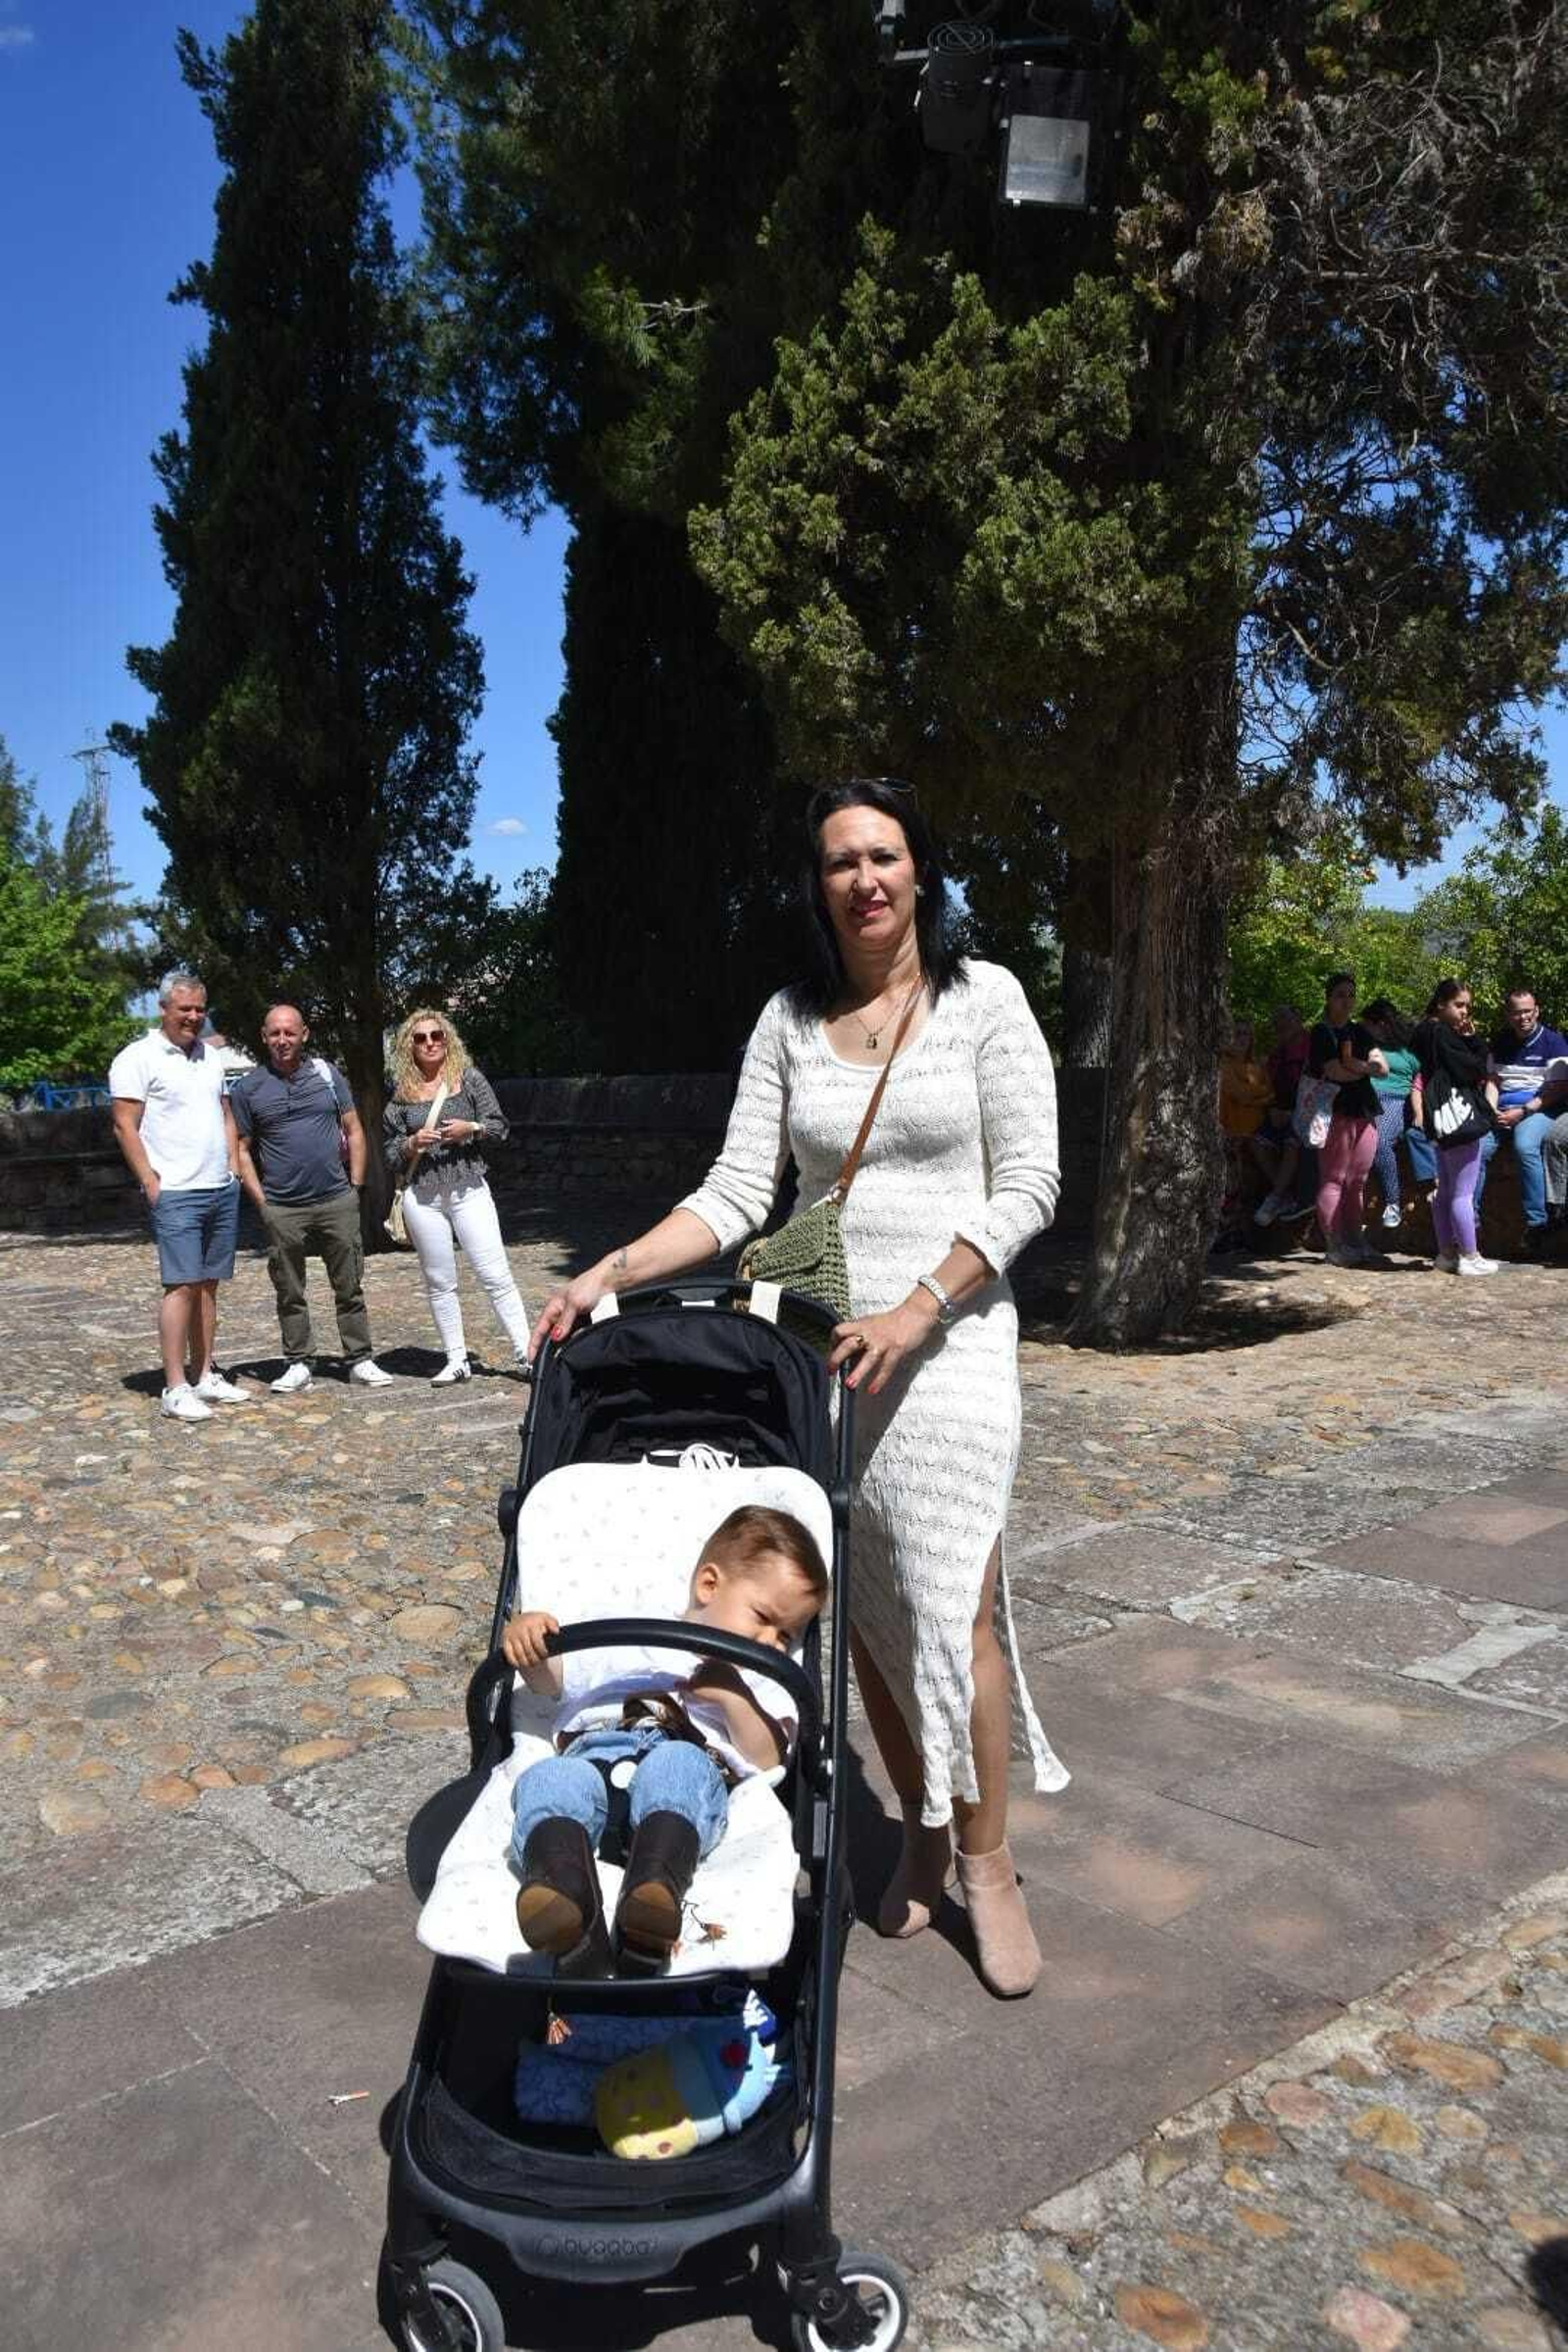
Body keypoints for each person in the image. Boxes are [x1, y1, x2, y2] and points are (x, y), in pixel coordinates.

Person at [529, 776, 1068, 1999]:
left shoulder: (986, 1003)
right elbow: (734, 1193)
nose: (865, 879)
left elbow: (1030, 1181)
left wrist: (922, 1304)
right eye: (840, 861)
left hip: (952, 1341)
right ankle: (921, 1824)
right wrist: (601, 1277)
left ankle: (986, 1865)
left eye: (884, 855)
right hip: (826, 1352)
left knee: (955, 1606)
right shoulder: (786, 1020)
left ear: (920, 872)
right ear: (816, 885)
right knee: (867, 1607)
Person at [504, 1506, 828, 1976]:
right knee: (549, 1779)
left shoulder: (761, 1678)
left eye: (788, 1634)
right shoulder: (629, 1630)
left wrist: (734, 1697)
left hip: (681, 1779)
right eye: (763, 1617)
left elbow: (768, 1758)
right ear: (709, 1586)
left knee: (678, 1764)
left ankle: (653, 1891)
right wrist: (528, 1642)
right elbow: (550, 1681)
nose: (773, 1642)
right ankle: (560, 1889)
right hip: (592, 1756)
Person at [109, 970, 250, 1424]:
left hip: (217, 1185)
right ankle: (175, 1386)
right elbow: (124, 1124)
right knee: (181, 1285)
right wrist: (150, 1180)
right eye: (184, 1008)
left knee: (208, 1285)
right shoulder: (138, 1057)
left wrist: (232, 1165)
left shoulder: (209, 1058)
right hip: (176, 1190)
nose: (192, 1016)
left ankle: (204, 1372)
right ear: (164, 1008)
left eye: (198, 1009)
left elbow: (225, 1113)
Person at [231, 1004, 393, 1393]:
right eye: (275, 1033)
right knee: (289, 1290)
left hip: (336, 1199)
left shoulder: (326, 1074)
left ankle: (360, 1359)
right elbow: (239, 1148)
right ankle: (298, 1362)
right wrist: (262, 1203)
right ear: (263, 1036)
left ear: (304, 1034)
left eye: (290, 1032)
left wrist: (355, 1187)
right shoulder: (248, 1089)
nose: (283, 1040)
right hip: (283, 1207)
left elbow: (354, 1129)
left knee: (350, 1285)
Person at [381, 1008, 532, 1383]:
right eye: (420, 1038)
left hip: (468, 1190)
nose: (430, 1043)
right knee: (439, 1281)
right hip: (423, 1197)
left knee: (495, 1274)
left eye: (437, 1036)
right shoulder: (400, 1093)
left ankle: (527, 1353)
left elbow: (500, 1128)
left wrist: (472, 1128)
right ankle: (456, 1359)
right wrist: (412, 1143)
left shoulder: (469, 1079)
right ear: (408, 1047)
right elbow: (388, 1152)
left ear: (448, 1040)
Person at [1410, 978, 1500, 1276]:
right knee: (1463, 1192)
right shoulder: (1443, 1034)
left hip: (1438, 1115)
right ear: (1441, 1003)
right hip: (1459, 1115)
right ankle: (1470, 1255)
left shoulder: (1424, 1031)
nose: (1464, 1012)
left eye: (1467, 1006)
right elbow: (1473, 1068)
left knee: (1446, 1190)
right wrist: (1473, 1040)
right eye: (1459, 1005)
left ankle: (1446, 1253)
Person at [1472, 988, 1568, 1254]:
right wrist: (1491, 1110)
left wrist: (1523, 1112)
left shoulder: (1554, 1042)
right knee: (1475, 1151)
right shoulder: (1501, 1042)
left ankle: (1536, 1223)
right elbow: (1493, 1081)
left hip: (1538, 1109)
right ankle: (1470, 1222)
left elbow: (1558, 1088)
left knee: (1525, 1146)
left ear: (1536, 1011)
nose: (1523, 1017)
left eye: (1528, 1011)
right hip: (1502, 1110)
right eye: (1517, 1012)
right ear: (1508, 1014)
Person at [1309, 972, 1388, 1265]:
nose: (1347, 1000)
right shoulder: (1321, 1032)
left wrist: (1357, 1066)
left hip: (1364, 1111)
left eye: (1351, 994)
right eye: (1341, 994)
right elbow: (1334, 1072)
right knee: (1334, 1179)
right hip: (1335, 1112)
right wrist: (1361, 1068)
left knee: (1358, 1180)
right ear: (1329, 998)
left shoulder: (1359, 1032)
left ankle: (1357, 1241)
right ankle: (1334, 1244)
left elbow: (1383, 1068)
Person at [1251, 1004, 1316, 1226]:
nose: (1282, 1024)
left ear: (1298, 1020)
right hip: (1279, 1112)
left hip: (1306, 1112)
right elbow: (1268, 1087)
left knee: (1292, 1143)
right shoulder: (1277, 1055)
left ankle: (1276, 1197)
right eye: (1278, 1022)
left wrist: (1292, 1113)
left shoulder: (1312, 1048)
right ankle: (1284, 1193)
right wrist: (1272, 1110)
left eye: (1287, 1019)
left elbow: (1317, 1085)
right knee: (1257, 1142)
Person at [1360, 1000, 1421, 1232]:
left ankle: (1392, 1203)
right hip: (1365, 1100)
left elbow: (1421, 1078)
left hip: (1395, 1100)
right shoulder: (1365, 1045)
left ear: (1383, 1024)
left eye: (1368, 1024)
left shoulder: (1409, 1048)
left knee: (1381, 1141)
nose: (1363, 1028)